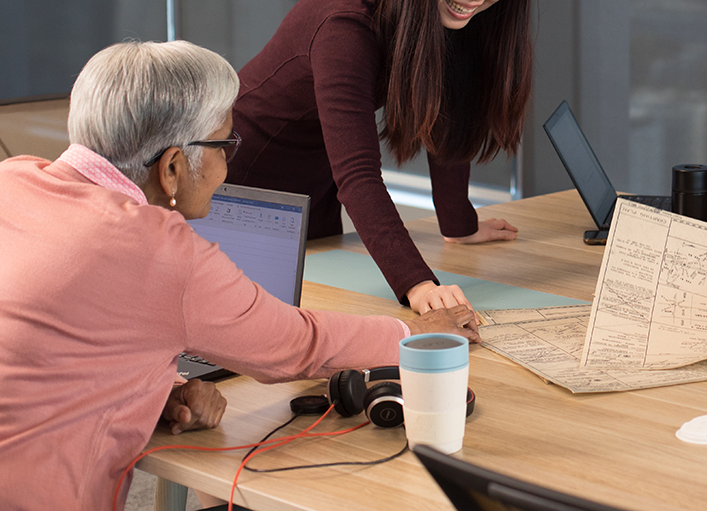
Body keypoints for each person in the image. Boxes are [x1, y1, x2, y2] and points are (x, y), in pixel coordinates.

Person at [0, 41, 480, 511]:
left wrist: (146, 389)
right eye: (224, 144)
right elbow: (295, 345)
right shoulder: (158, 251)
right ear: (171, 167)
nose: (227, 166)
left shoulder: (12, 180)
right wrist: (416, 333)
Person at [228, 0, 532, 313]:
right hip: (245, 181)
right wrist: (420, 286)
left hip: (316, 185)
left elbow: (447, 98)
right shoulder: (348, 22)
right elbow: (359, 174)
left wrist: (458, 221)